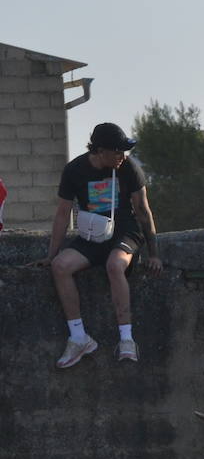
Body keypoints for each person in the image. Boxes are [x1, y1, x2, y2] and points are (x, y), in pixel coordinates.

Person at [40, 123, 163, 367]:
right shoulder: (75, 170)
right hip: (93, 234)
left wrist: (154, 253)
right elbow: (63, 215)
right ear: (99, 151)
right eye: (117, 151)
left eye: (123, 151)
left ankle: (126, 339)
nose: (122, 156)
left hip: (125, 233)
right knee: (60, 266)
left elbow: (142, 210)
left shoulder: (128, 168)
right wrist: (51, 255)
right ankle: (78, 337)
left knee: (115, 265)